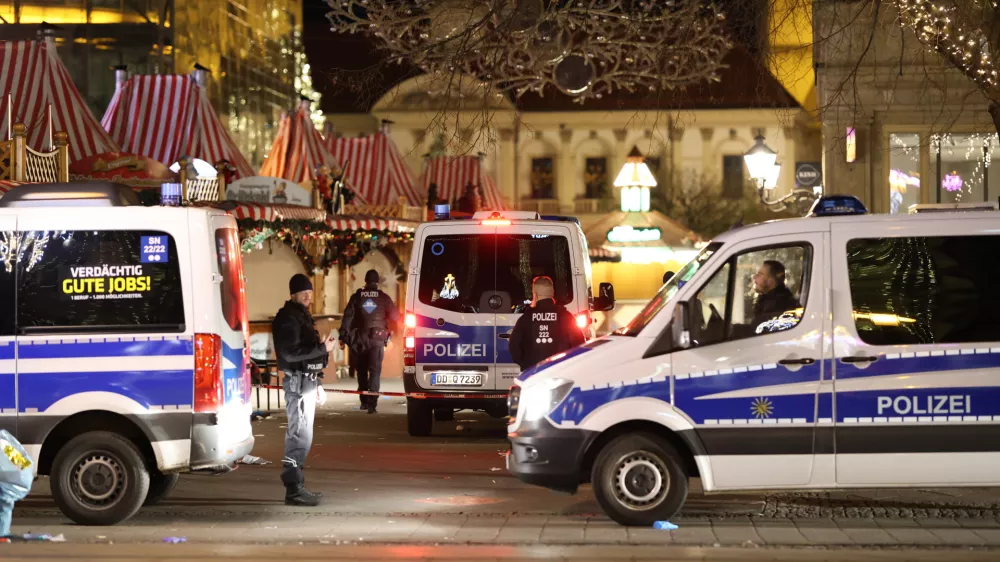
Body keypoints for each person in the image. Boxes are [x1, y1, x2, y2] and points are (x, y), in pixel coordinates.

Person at [272, 273, 335, 506]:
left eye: (310, 292)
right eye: (303, 292)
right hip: (297, 383)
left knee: (304, 435)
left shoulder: (301, 316)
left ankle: (296, 485)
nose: (308, 295)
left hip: (306, 381)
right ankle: (293, 488)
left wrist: (317, 382)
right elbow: (290, 353)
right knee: (299, 434)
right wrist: (322, 348)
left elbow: (306, 352)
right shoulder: (288, 318)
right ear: (293, 294)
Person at [341, 269, 400, 414]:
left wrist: (343, 336)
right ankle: (372, 405)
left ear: (365, 281)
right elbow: (396, 316)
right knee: (374, 371)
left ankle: (364, 402)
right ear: (377, 282)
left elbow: (348, 316)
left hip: (359, 339)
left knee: (361, 371)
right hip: (377, 339)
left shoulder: (357, 296)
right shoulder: (384, 298)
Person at [508, 276, 585, 372]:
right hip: (560, 372)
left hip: (533, 373)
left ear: (535, 294)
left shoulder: (526, 318)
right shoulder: (566, 316)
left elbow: (514, 347)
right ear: (552, 293)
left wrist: (526, 365)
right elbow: (579, 343)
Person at [750, 260, 800, 330]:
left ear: (771, 280)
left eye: (760, 274)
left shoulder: (779, 304)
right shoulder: (768, 300)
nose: (754, 277)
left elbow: (757, 329)